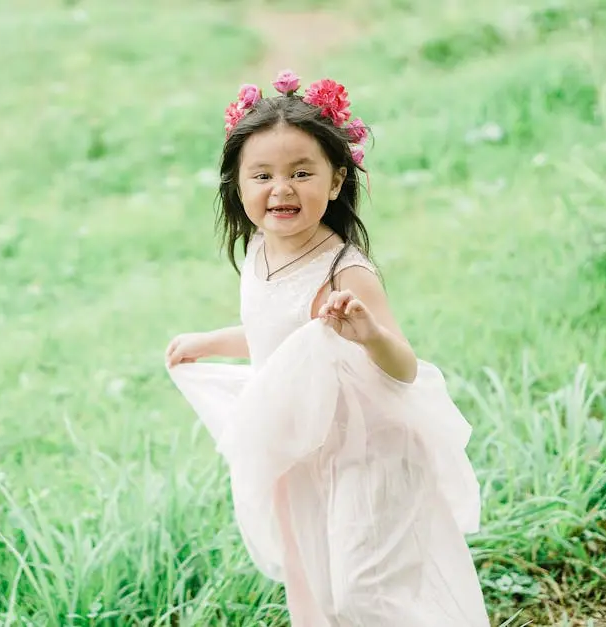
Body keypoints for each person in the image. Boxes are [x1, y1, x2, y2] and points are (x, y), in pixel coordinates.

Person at [164, 69, 490, 626]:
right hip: (306, 449)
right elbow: (278, 332)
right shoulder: (262, 252)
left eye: (301, 172)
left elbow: (405, 367)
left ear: (336, 181)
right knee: (318, 585)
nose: (281, 189)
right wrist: (211, 342)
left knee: (366, 594)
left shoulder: (346, 271)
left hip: (369, 451)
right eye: (262, 174)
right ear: (237, 186)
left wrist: (369, 334)